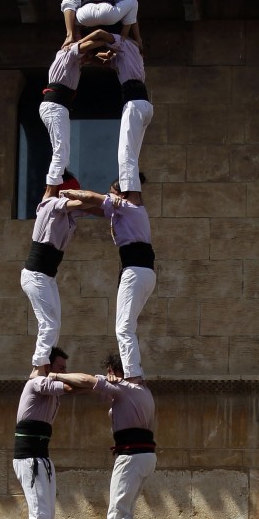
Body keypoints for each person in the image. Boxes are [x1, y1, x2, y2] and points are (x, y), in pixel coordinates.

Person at [52, 357, 156, 519]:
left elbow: (86, 380)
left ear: (114, 372)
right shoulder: (141, 390)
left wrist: (55, 376)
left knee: (116, 513)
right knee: (125, 513)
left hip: (131, 455)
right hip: (144, 456)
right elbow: (91, 391)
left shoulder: (124, 388)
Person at [63, 184, 155, 381]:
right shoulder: (120, 211)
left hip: (136, 270)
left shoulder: (128, 207)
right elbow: (92, 207)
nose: (109, 196)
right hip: (141, 271)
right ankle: (133, 372)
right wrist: (67, 206)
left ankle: (133, 376)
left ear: (122, 194)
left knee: (123, 328)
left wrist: (65, 193)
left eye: (112, 192)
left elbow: (90, 196)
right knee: (126, 326)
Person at [12, 353, 69, 519]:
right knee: (40, 514)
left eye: (65, 368)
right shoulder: (36, 383)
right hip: (29, 459)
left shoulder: (51, 387)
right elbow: (70, 386)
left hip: (42, 458)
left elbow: (70, 386)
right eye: (60, 367)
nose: (64, 372)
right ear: (47, 366)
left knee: (49, 515)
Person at [39, 37, 114, 194]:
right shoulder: (67, 53)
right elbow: (94, 38)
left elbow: (102, 62)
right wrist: (111, 39)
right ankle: (49, 192)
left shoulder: (75, 61)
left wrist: (108, 56)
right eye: (87, 55)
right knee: (61, 151)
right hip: (55, 106)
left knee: (63, 155)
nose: (87, 60)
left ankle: (58, 185)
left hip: (59, 107)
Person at [22, 188, 79, 372]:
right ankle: (38, 367)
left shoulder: (67, 216)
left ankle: (49, 362)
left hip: (47, 277)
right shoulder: (50, 205)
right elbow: (82, 203)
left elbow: (93, 208)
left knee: (55, 324)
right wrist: (105, 199)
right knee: (49, 324)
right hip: (36, 275)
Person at [104, 35, 152, 194]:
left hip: (134, 104)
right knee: (132, 153)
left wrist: (75, 41)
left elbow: (101, 34)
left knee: (125, 153)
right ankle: (131, 190)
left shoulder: (124, 44)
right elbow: (105, 61)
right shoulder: (129, 54)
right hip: (143, 105)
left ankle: (129, 195)